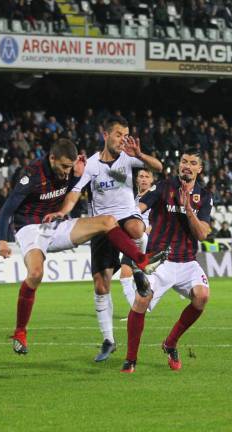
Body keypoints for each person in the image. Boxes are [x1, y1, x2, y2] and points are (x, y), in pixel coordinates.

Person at [0, 138, 167, 356]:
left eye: (70, 167)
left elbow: (74, 192)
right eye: (63, 167)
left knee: (107, 221)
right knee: (36, 273)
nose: (66, 171)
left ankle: (141, 260)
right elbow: (7, 209)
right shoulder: (32, 175)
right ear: (52, 158)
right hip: (30, 228)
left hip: (55, 223)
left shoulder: (74, 171)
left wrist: (78, 175)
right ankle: (20, 332)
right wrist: (2, 239)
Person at [42, 116, 164, 362]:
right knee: (101, 285)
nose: (123, 139)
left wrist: (140, 155)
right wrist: (63, 212)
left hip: (126, 215)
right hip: (101, 226)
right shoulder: (92, 165)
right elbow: (76, 192)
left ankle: (138, 268)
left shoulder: (130, 158)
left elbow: (159, 168)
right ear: (105, 135)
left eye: (125, 134)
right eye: (118, 134)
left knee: (136, 229)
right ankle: (108, 339)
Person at [121, 147, 212, 373]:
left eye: (192, 163)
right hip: (159, 259)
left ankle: (170, 343)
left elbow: (202, 233)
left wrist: (188, 209)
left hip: (187, 261)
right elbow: (138, 208)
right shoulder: (163, 188)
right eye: (184, 161)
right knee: (141, 301)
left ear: (199, 169)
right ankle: (130, 359)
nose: (187, 166)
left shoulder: (205, 196)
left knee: (202, 297)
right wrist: (130, 219)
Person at [119, 169, 155, 309]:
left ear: (151, 180)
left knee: (138, 274)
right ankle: (137, 310)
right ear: (137, 180)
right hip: (133, 240)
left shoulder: (154, 197)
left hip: (147, 240)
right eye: (141, 176)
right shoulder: (132, 198)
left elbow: (159, 219)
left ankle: (140, 308)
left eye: (147, 176)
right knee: (126, 275)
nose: (144, 179)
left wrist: (148, 229)